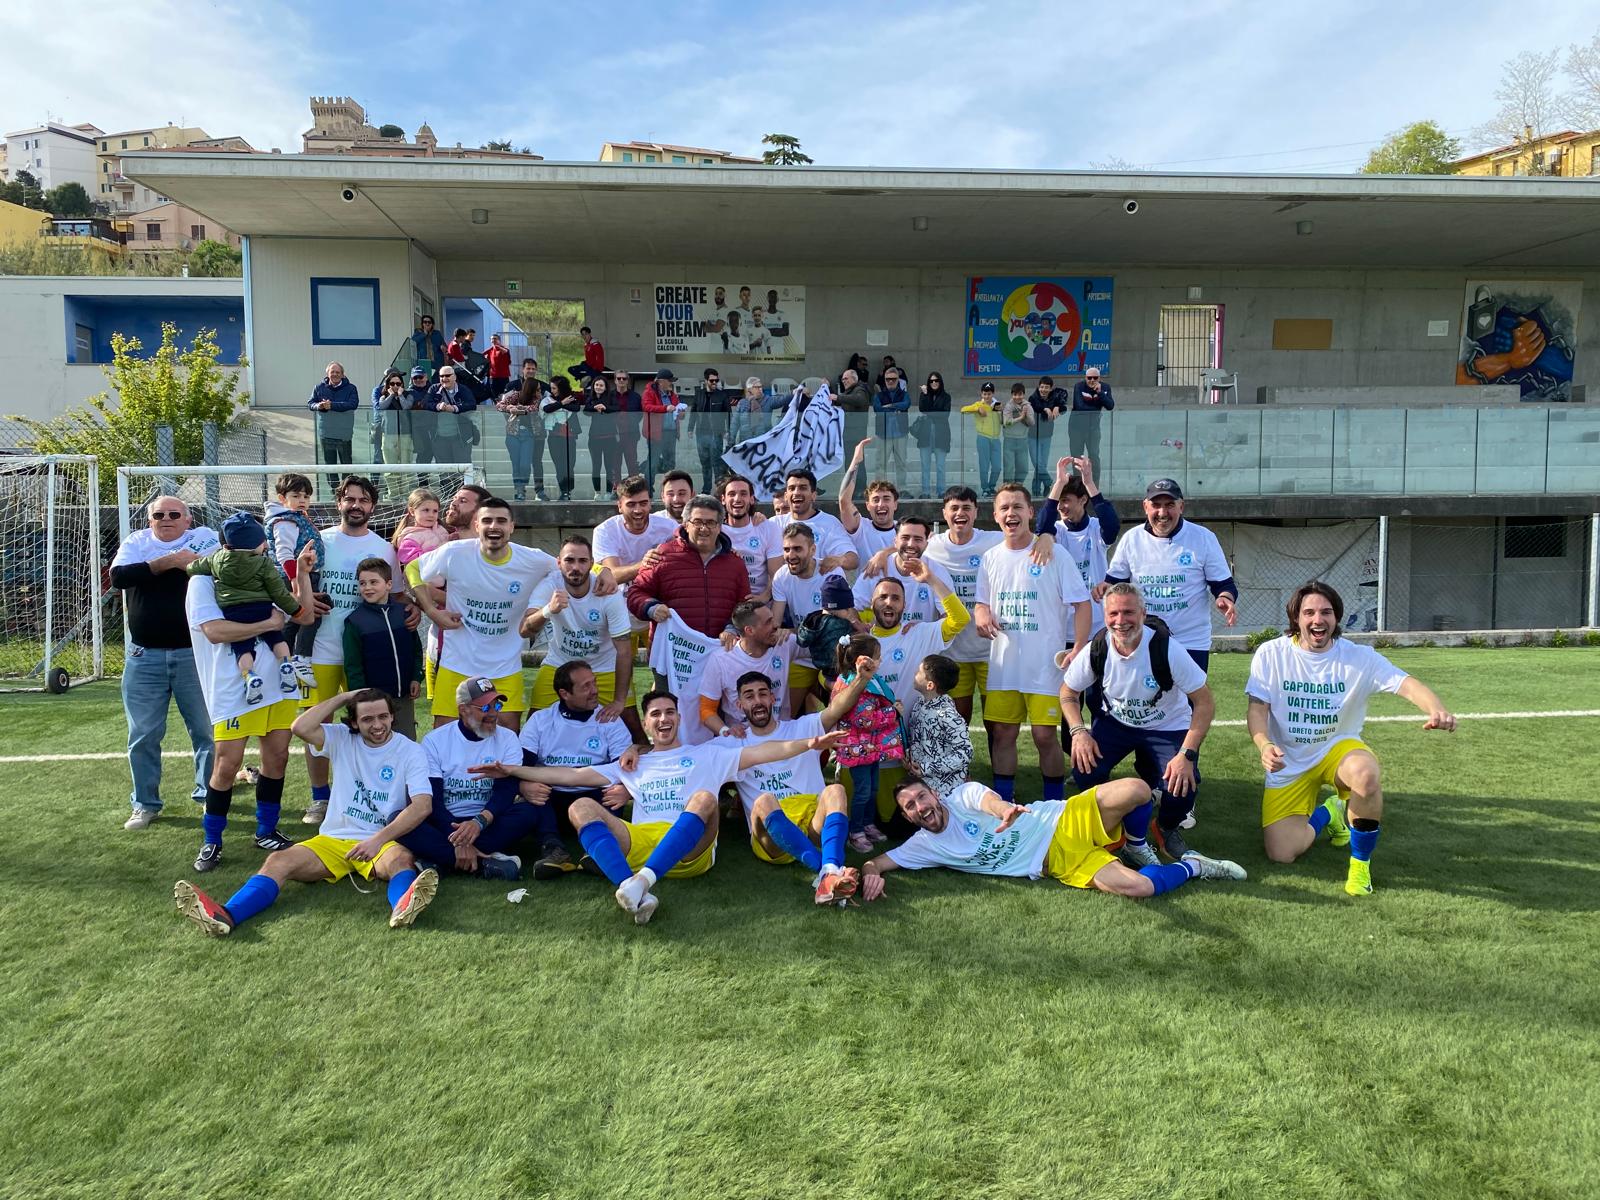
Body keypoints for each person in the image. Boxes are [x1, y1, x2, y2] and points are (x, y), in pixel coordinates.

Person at [470, 690, 843, 924]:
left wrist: (809, 744)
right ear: (646, 725)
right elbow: (568, 775)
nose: (664, 719)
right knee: (581, 806)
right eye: (655, 714)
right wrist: (511, 770)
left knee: (704, 798)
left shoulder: (709, 754)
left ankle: (642, 881)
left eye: (669, 712)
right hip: (642, 843)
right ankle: (632, 889)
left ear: (679, 719)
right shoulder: (632, 763)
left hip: (692, 850)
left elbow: (765, 752)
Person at [1247, 581, 1456, 896]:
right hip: (1289, 761)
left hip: (1338, 749)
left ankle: (1360, 866)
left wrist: (1436, 708)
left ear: (1336, 617)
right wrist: (1264, 744)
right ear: (1296, 618)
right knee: (1282, 853)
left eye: (1326, 612)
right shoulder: (1271, 654)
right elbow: (1257, 709)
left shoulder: (1359, 657)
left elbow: (1406, 684)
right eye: (1309, 612)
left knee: (1365, 774)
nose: (1318, 620)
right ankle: (1329, 813)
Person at [173, 689, 440, 936]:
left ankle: (402, 907)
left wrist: (377, 840)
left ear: (392, 716)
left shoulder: (410, 751)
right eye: (367, 719)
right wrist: (343, 697)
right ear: (354, 723)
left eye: (383, 716)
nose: (378, 724)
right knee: (278, 861)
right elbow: (300, 727)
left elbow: (422, 806)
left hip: (380, 840)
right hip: (333, 840)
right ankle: (227, 915)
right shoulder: (342, 737)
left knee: (401, 860)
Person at [858, 776, 1245, 903]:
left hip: (1061, 820)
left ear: (934, 794)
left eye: (921, 797)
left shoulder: (962, 797)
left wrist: (1003, 810)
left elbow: (988, 801)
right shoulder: (923, 846)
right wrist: (871, 873)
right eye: (910, 806)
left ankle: (1135, 842)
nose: (920, 807)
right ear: (907, 816)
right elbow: (877, 861)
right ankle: (1194, 866)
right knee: (1140, 888)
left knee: (1137, 790)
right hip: (1056, 863)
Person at [1061, 583, 1214, 865]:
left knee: (1182, 783)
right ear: (1105, 616)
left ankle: (1165, 827)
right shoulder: (1098, 647)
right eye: (1113, 614)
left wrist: (1186, 753)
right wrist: (1079, 732)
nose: (1121, 621)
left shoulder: (1167, 648)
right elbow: (1068, 692)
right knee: (1084, 768)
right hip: (1117, 723)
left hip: (1167, 725)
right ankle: (1109, 820)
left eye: (1129, 612)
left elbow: (1204, 702)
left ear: (1143, 613)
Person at [184, 552, 317, 872]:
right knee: (227, 764)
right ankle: (212, 840)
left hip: (279, 685)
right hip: (235, 690)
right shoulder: (202, 581)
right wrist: (269, 624)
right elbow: (215, 631)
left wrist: (302, 574)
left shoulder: (266, 572)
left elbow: (305, 616)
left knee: (278, 758)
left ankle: (266, 831)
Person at [974, 484, 1091, 806]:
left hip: (1045, 666)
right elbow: (981, 601)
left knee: (1044, 735)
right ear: (995, 516)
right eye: (1004, 508)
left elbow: (1082, 603)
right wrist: (981, 612)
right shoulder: (990, 558)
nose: (1011, 513)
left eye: (1017, 507)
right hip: (1004, 665)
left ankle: (1053, 804)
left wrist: (1079, 647)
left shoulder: (1055, 554)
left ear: (1030, 512)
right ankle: (1004, 802)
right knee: (1003, 733)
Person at [300, 476, 405, 826]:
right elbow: (297, 583)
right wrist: (305, 598)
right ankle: (320, 797)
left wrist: (413, 610)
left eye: (363, 500)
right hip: (321, 649)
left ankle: (368, 794)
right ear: (339, 503)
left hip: (366, 652)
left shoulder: (384, 548)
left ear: (372, 506)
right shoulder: (320, 540)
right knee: (319, 724)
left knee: (371, 723)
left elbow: (396, 595)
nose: (355, 505)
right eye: (349, 499)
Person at [111, 497, 220, 829]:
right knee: (143, 734)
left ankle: (209, 797)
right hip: (144, 656)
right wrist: (171, 561)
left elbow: (222, 568)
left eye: (174, 514)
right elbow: (119, 577)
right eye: (159, 514)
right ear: (150, 520)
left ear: (188, 519)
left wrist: (187, 563)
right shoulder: (137, 542)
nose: (166, 519)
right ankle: (145, 804)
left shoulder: (205, 537)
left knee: (205, 731)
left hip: (195, 654)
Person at [412, 496, 562, 733]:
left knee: (507, 735)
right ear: (476, 526)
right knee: (445, 733)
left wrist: (603, 571)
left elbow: (570, 566)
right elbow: (413, 569)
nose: (494, 526)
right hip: (456, 664)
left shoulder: (533, 559)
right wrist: (431, 611)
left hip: (505, 668)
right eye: (487, 521)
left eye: (501, 521)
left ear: (511, 527)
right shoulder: (454, 553)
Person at [727, 667, 870, 904]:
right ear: (739, 704)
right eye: (749, 696)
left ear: (773, 698)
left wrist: (862, 678)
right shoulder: (730, 744)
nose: (758, 701)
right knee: (764, 800)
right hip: (772, 837)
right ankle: (826, 871)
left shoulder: (802, 727)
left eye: (763, 693)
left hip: (812, 823)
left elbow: (837, 708)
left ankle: (830, 869)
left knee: (835, 790)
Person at [403, 677, 537, 881]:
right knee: (398, 820)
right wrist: (459, 839)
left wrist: (478, 822)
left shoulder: (508, 738)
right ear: (463, 709)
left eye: (497, 705)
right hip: (444, 821)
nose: (494, 714)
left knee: (529, 811)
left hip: (487, 820)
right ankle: (485, 863)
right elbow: (433, 800)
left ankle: (439, 861)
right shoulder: (435, 741)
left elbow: (505, 792)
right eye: (485, 708)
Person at [515, 661, 635, 880]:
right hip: (553, 799)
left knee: (613, 792)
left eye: (594, 683)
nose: (595, 690)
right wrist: (523, 786)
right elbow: (521, 765)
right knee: (534, 794)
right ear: (564, 693)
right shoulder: (541, 720)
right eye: (586, 686)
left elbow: (626, 767)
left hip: (594, 798)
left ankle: (599, 851)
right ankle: (553, 850)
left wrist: (626, 790)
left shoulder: (610, 720)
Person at [1102, 479, 1236, 674]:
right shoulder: (1132, 538)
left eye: (1170, 505)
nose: (1162, 513)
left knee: (1193, 694)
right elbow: (1115, 584)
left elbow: (1223, 584)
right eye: (1156, 505)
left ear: (1181, 507)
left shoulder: (1203, 538)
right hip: (1143, 637)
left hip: (1190, 641)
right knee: (1144, 693)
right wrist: (1104, 587)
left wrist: (1225, 598)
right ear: (1145, 507)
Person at [185, 512, 309, 705]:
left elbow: (194, 567)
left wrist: (189, 567)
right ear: (254, 543)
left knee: (242, 648)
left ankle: (249, 674)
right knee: (277, 638)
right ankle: (285, 663)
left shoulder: (216, 558)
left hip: (234, 612)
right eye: (262, 541)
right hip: (261, 608)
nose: (266, 545)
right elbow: (279, 593)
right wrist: (296, 610)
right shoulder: (263, 563)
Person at [523, 535, 633, 718]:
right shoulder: (550, 584)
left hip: (604, 667)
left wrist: (619, 701)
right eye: (569, 560)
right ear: (559, 563)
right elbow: (524, 630)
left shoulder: (607, 591)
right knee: (535, 721)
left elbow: (624, 651)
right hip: (559, 665)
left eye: (582, 561)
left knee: (632, 724)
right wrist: (548, 610)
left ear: (591, 563)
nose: (575, 567)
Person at [922, 485, 1005, 723]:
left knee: (996, 724)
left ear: (976, 512)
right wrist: (882, 554)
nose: (960, 513)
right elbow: (904, 544)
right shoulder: (932, 546)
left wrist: (1045, 539)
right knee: (958, 721)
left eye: (966, 508)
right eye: (954, 508)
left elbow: (1029, 540)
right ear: (944, 513)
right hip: (953, 652)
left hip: (991, 649)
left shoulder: (994, 541)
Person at [627, 494, 751, 642]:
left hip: (719, 650)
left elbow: (745, 605)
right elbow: (636, 593)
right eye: (697, 522)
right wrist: (651, 608)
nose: (704, 528)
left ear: (719, 527)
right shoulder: (662, 556)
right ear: (686, 524)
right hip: (672, 649)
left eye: (711, 522)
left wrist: (732, 629)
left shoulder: (735, 563)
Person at [830, 634, 905, 851]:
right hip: (859, 750)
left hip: (869, 749)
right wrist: (893, 713)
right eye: (877, 656)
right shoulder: (856, 686)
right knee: (863, 792)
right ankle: (856, 831)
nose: (880, 660)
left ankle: (868, 824)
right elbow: (864, 720)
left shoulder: (864, 681)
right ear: (864, 660)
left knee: (872, 789)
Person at [1035, 455, 1120, 635]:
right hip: (1062, 626)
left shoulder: (1095, 528)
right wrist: (1059, 483)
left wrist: (1089, 483)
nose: (1060, 507)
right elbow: (1042, 529)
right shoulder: (1055, 531)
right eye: (1058, 501)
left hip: (1097, 625)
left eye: (1066, 500)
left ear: (1082, 500)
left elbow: (1112, 526)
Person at [342, 557, 424, 741]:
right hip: (374, 703)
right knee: (375, 744)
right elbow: (353, 665)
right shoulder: (355, 621)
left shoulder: (404, 613)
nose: (367, 588)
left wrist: (416, 677)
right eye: (362, 583)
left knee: (406, 743)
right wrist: (362, 698)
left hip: (403, 697)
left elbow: (416, 649)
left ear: (389, 584)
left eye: (373, 582)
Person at [698, 599, 796, 737]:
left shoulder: (784, 642)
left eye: (773, 619)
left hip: (783, 735)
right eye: (768, 622)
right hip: (743, 740)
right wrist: (726, 732)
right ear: (749, 630)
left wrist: (793, 632)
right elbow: (706, 709)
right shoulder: (721, 659)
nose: (776, 625)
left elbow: (819, 645)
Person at [265, 472, 325, 679]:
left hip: (304, 575)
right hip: (296, 577)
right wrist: (296, 581)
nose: (302, 500)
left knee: (294, 619)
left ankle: (285, 661)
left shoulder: (297, 518)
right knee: (312, 616)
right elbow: (284, 555)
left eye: (306, 496)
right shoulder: (286, 521)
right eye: (296, 496)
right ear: (282, 498)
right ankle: (301, 658)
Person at [851, 515, 958, 626]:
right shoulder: (877, 567)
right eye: (905, 538)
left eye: (918, 539)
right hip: (883, 637)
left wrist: (923, 630)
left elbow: (949, 615)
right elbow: (852, 606)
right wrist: (859, 627)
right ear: (895, 541)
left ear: (926, 544)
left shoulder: (937, 572)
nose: (911, 544)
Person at [903, 653, 972, 801]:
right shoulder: (919, 704)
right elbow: (916, 739)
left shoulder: (947, 715)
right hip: (922, 784)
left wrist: (927, 768)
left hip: (945, 792)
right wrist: (908, 757)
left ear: (930, 685)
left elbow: (964, 753)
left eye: (919, 672)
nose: (915, 673)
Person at [773, 468, 858, 573]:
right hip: (784, 583)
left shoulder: (829, 523)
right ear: (786, 496)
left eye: (803, 488)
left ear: (813, 495)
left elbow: (853, 559)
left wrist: (839, 560)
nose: (796, 492)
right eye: (792, 488)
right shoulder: (774, 523)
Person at [718, 474, 782, 601]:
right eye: (732, 494)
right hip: (725, 602)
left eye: (743, 494)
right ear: (723, 499)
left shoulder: (769, 528)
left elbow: (776, 575)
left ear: (752, 499)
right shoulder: (715, 530)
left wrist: (763, 598)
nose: (737, 499)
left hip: (761, 603)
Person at [836, 439, 898, 564]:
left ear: (895, 504)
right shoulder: (861, 528)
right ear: (868, 506)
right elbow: (844, 500)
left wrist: (885, 553)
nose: (881, 504)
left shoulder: (905, 529)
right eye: (875, 500)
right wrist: (856, 461)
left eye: (886, 499)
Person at [497, 358, 548, 503]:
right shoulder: (513, 389)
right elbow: (500, 404)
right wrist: (509, 408)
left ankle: (539, 491)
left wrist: (517, 409)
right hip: (514, 432)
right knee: (517, 464)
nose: (530, 371)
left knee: (532, 463)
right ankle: (519, 491)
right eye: (528, 368)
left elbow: (535, 408)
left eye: (533, 368)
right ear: (523, 369)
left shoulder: (540, 394)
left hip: (535, 434)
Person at [307, 362, 359, 495]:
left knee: (346, 463)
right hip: (326, 432)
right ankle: (335, 491)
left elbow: (353, 404)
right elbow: (310, 404)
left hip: (344, 433)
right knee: (329, 464)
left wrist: (332, 405)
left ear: (342, 374)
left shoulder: (351, 388)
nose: (335, 374)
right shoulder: (319, 387)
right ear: (327, 374)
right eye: (332, 372)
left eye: (337, 372)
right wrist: (319, 406)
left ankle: (347, 490)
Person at [424, 364, 477, 468]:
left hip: (460, 437)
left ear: (454, 377)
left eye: (448, 375)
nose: (444, 378)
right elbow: (425, 404)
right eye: (441, 376)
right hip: (439, 437)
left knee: (461, 467)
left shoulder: (463, 389)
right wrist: (437, 406)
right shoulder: (434, 389)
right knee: (443, 469)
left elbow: (472, 405)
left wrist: (454, 408)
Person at [641, 368, 688, 487]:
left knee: (670, 463)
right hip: (656, 433)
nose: (672, 383)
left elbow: (677, 411)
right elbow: (646, 407)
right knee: (653, 462)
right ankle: (648, 489)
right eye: (670, 381)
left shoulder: (672, 394)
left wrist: (681, 414)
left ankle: (670, 489)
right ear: (661, 382)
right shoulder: (649, 392)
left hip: (671, 433)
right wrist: (665, 408)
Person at [690, 368, 733, 492]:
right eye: (712, 380)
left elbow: (728, 414)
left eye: (716, 380)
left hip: (716, 433)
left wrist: (728, 430)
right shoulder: (699, 394)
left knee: (717, 462)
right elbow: (693, 411)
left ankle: (719, 489)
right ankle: (706, 489)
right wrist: (690, 428)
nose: (714, 383)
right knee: (705, 462)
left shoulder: (722, 395)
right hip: (701, 433)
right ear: (705, 381)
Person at [834, 369, 874, 501]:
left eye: (846, 378)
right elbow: (839, 400)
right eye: (842, 379)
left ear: (854, 379)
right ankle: (851, 489)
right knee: (850, 463)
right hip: (848, 434)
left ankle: (860, 490)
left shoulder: (860, 389)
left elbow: (859, 400)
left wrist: (838, 397)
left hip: (856, 435)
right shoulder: (848, 393)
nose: (844, 381)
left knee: (858, 464)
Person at [912, 371, 953, 498]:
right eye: (931, 381)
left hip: (941, 435)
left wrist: (930, 413)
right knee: (925, 466)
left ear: (940, 382)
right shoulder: (925, 395)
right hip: (926, 434)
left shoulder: (946, 396)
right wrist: (925, 394)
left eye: (936, 381)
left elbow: (945, 414)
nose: (934, 383)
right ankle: (926, 492)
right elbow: (922, 409)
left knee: (940, 466)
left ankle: (941, 492)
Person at [583, 374, 623, 500]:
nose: (598, 387)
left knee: (609, 466)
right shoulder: (591, 398)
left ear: (605, 387)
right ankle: (597, 492)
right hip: (594, 438)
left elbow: (617, 408)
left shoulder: (611, 397)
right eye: (596, 385)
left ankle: (608, 491)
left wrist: (605, 408)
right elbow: (586, 410)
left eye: (601, 385)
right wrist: (595, 408)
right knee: (596, 466)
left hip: (609, 438)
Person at [543, 377, 583, 501]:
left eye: (554, 388)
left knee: (569, 465)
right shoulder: (548, 400)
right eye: (551, 388)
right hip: (554, 438)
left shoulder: (571, 397)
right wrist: (562, 403)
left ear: (561, 388)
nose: (552, 390)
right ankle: (563, 491)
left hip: (569, 437)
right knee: (559, 466)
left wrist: (562, 404)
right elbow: (546, 409)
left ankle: (569, 490)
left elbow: (576, 408)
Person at [960, 382, 1002, 496]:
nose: (987, 396)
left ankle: (992, 486)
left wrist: (1000, 412)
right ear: (981, 394)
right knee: (984, 465)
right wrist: (978, 408)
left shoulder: (997, 404)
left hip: (996, 439)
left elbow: (1002, 420)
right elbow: (963, 410)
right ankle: (985, 488)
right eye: (984, 394)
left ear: (993, 393)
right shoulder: (978, 404)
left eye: (989, 394)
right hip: (983, 438)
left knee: (997, 467)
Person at [872, 366, 911, 484]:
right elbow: (877, 409)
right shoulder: (879, 395)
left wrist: (889, 406)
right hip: (883, 434)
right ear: (884, 380)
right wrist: (896, 408)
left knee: (901, 464)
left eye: (893, 379)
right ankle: (880, 489)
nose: (890, 381)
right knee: (880, 464)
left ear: (898, 380)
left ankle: (902, 489)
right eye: (887, 379)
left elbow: (906, 404)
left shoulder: (904, 394)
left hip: (901, 434)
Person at [1028, 376, 1065, 495]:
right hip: (1033, 436)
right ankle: (1049, 481)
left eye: (1046, 387)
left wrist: (1057, 407)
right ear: (1038, 387)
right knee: (1037, 463)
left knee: (1041, 464)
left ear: (1050, 389)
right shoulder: (1033, 397)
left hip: (1047, 436)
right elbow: (1035, 406)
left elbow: (1064, 406)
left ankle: (1036, 490)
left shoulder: (1054, 398)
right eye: (1042, 387)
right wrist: (1045, 408)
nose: (1043, 390)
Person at [1068, 366, 1114, 464]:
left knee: (1094, 454)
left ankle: (1095, 475)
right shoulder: (1079, 386)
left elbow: (1110, 406)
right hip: (1076, 428)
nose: (1092, 380)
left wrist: (1100, 393)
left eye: (1095, 378)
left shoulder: (1105, 387)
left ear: (1099, 378)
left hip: (1093, 428)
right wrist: (1097, 410)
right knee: (1076, 456)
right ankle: (1078, 474)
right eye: (1089, 378)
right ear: (1085, 378)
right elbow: (1080, 407)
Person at [369, 369, 408, 468]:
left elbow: (406, 407)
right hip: (380, 426)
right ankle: (375, 477)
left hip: (399, 427)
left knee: (400, 456)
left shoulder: (402, 392)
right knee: (379, 455)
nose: (396, 384)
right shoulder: (378, 390)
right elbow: (378, 406)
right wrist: (390, 395)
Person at [612, 370, 644, 479]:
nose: (621, 380)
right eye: (619, 378)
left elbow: (640, 414)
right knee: (615, 465)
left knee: (632, 464)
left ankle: (634, 487)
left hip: (631, 434)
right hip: (614, 435)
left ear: (627, 381)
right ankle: (616, 487)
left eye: (624, 378)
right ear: (615, 380)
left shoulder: (636, 397)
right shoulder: (609, 396)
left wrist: (631, 423)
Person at [1000, 383, 1034, 484]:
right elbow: (1006, 422)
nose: (1017, 397)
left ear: (1023, 394)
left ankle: (1019, 484)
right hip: (1009, 440)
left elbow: (1032, 423)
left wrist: (1025, 416)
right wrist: (1020, 418)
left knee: (1023, 466)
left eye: (1020, 394)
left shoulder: (1027, 406)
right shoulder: (1008, 406)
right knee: (1009, 466)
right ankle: (1008, 485)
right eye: (1015, 394)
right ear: (1012, 395)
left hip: (1023, 440)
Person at [404, 365, 436, 470]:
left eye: (420, 377)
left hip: (435, 427)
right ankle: (422, 477)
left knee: (438, 452)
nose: (418, 380)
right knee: (424, 453)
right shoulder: (408, 392)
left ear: (426, 377)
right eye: (415, 377)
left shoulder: (435, 389)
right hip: (418, 429)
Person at [728, 376, 767, 445]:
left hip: (759, 441)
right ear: (750, 389)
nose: (760, 389)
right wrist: (731, 440)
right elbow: (735, 423)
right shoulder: (742, 403)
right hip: (745, 441)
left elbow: (781, 400)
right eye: (757, 387)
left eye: (761, 387)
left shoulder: (766, 400)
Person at [484, 333, 512, 397]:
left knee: (504, 395)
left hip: (503, 377)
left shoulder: (503, 350)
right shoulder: (490, 350)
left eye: (495, 339)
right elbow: (482, 356)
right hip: (493, 377)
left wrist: (497, 346)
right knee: (494, 395)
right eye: (492, 339)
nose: (493, 340)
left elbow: (506, 351)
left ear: (499, 340)